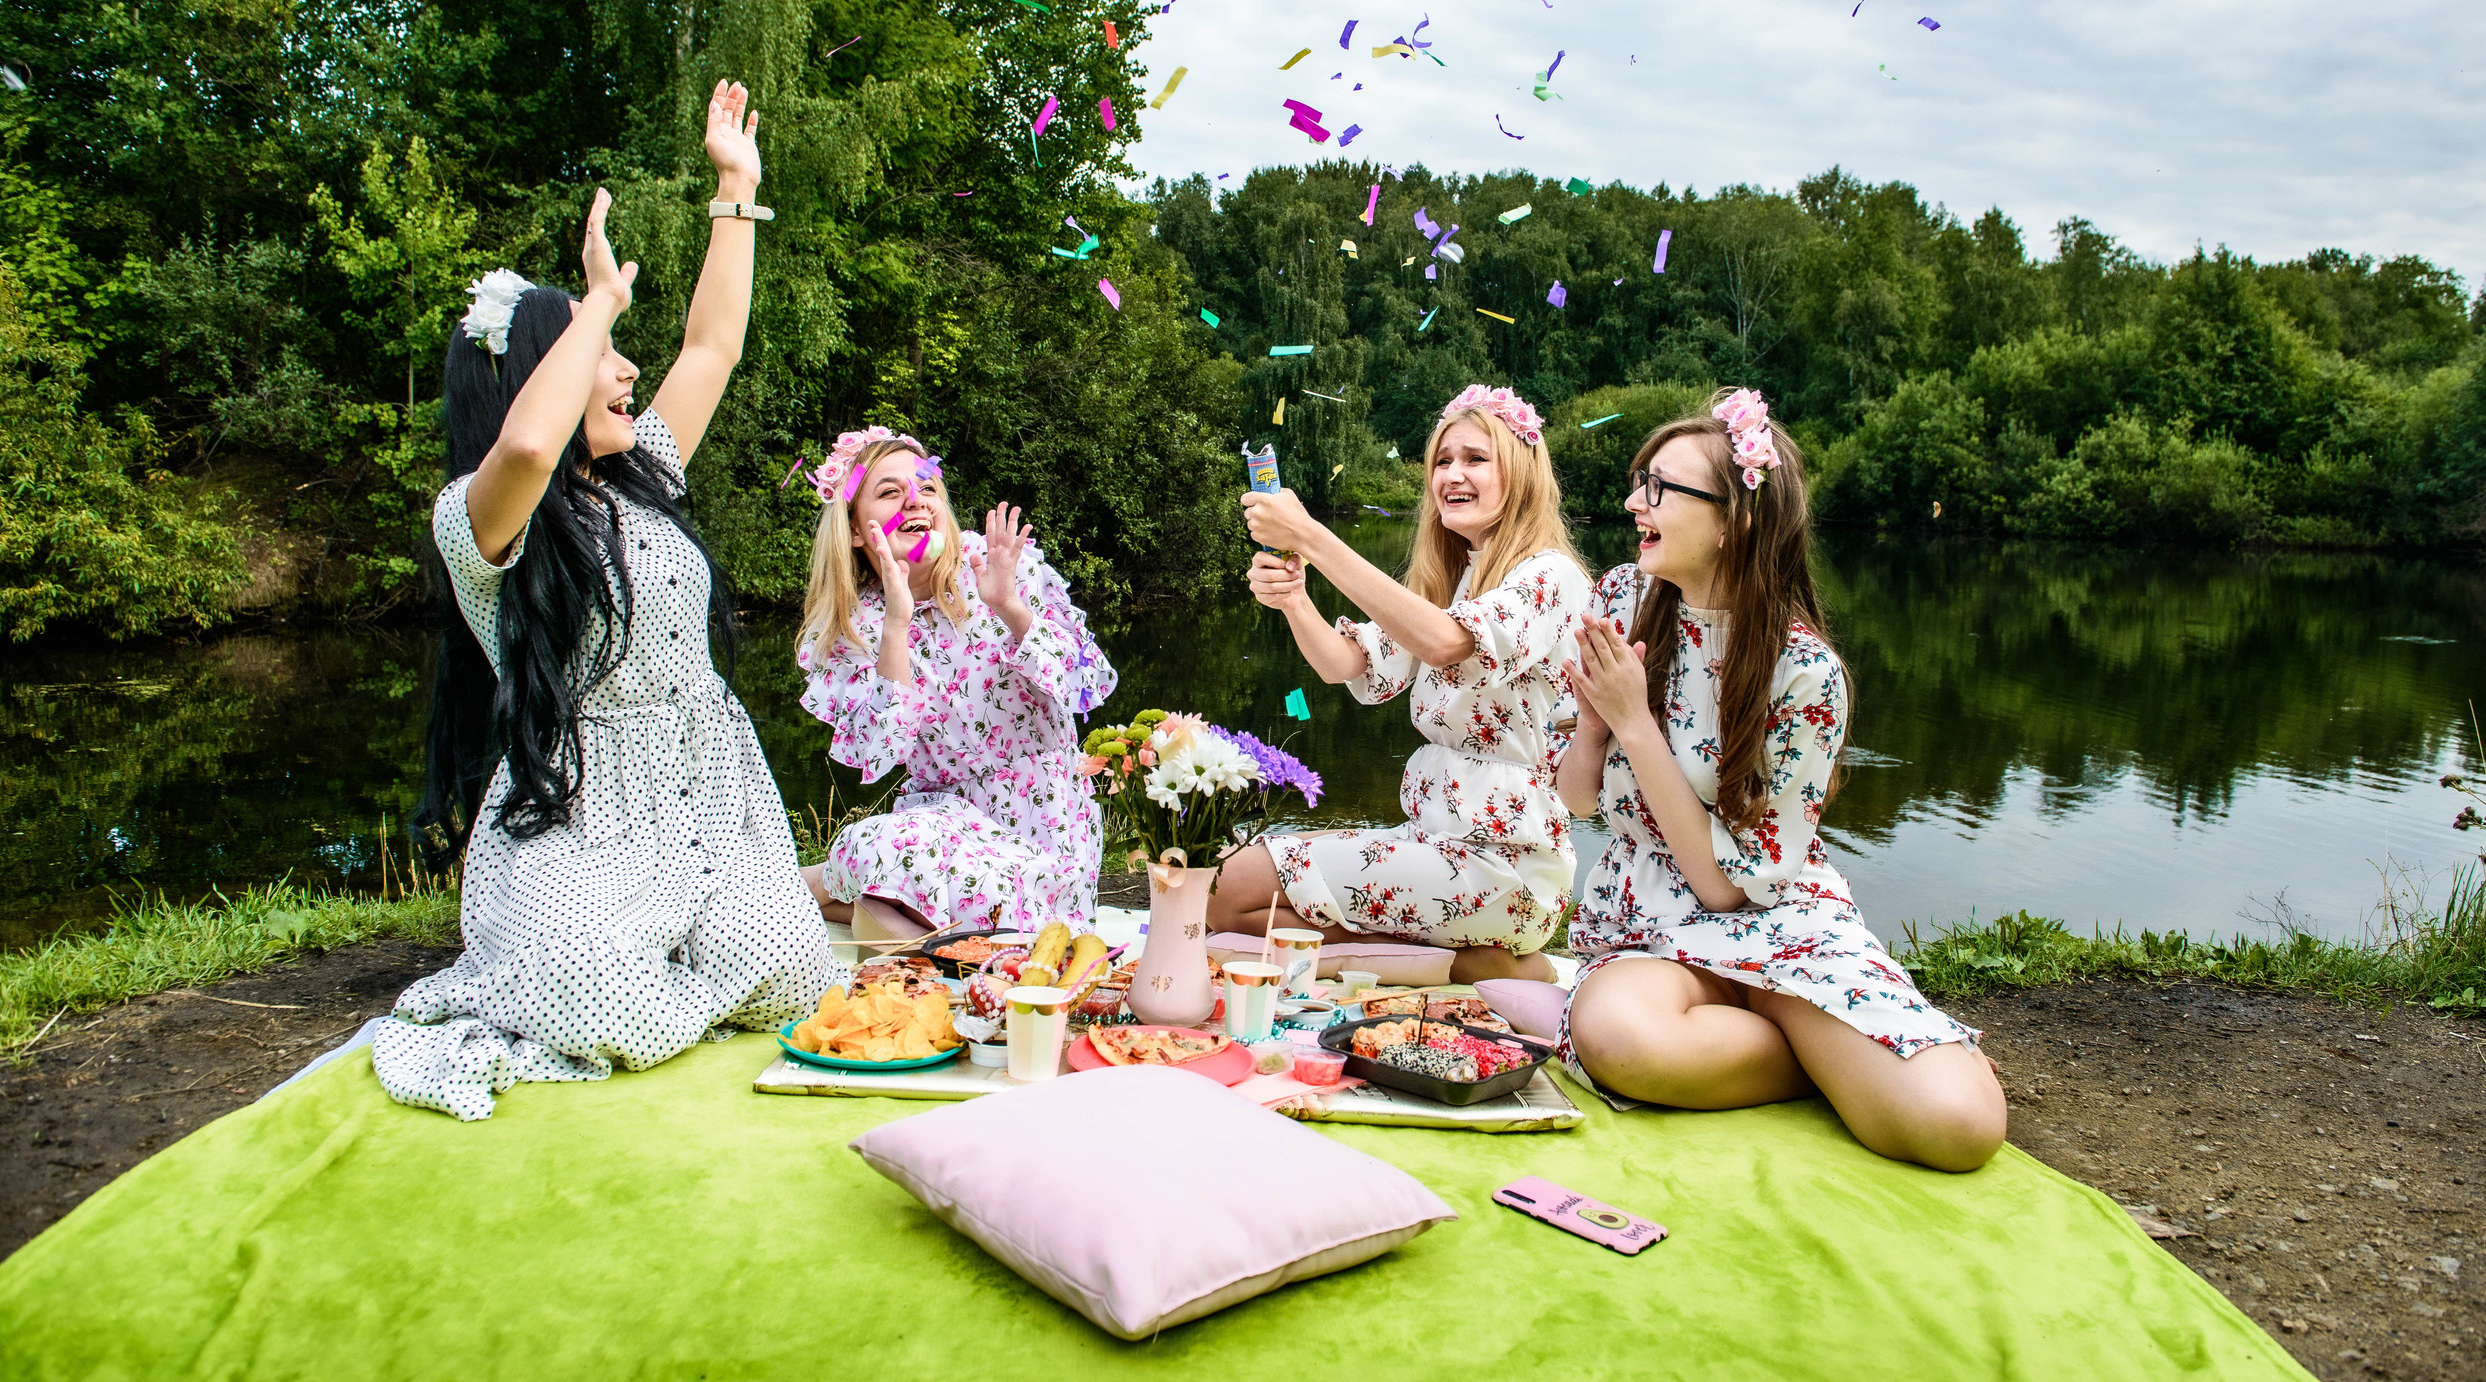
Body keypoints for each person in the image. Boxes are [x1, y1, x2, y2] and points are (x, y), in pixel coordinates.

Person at [374, 82, 838, 1122]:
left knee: (793, 967)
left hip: (706, 795)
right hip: (577, 817)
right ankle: (629, 964)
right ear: (543, 372)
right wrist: (594, 304)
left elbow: (712, 347)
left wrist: (736, 191)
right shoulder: (478, 514)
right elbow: (531, 444)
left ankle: (689, 955)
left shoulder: (645, 474)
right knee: (595, 992)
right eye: (600, 356)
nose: (627, 368)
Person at [1552, 388, 2006, 1171]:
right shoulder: (1623, 598)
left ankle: (1812, 1024)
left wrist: (1635, 722)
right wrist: (1597, 725)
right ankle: (1816, 1054)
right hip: (1650, 917)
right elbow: (1577, 799)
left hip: (1775, 913)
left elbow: (1729, 889)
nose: (1634, 502)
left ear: (1733, 521)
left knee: (1958, 1124)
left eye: (1659, 486)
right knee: (1618, 1037)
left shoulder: (1805, 673)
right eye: (1639, 480)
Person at [1210, 384, 1591, 984]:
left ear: (1520, 474)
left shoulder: (1551, 576)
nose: (1452, 475)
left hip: (1505, 866)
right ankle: (1469, 961)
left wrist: (1312, 536)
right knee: (1224, 895)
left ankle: (1472, 957)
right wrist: (1295, 600)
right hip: (1436, 840)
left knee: (1226, 888)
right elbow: (1345, 665)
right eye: (1442, 461)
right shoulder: (1454, 577)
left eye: (1475, 458)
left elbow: (1447, 643)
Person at [796, 431, 1117, 939]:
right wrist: (896, 627)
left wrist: (1010, 607)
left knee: (1017, 928)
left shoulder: (1000, 563)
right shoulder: (856, 624)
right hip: (939, 825)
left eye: (925, 486)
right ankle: (838, 894)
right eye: (889, 492)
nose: (914, 500)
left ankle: (835, 897)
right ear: (856, 530)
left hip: (1050, 824)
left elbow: (1089, 681)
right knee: (886, 847)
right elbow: (879, 753)